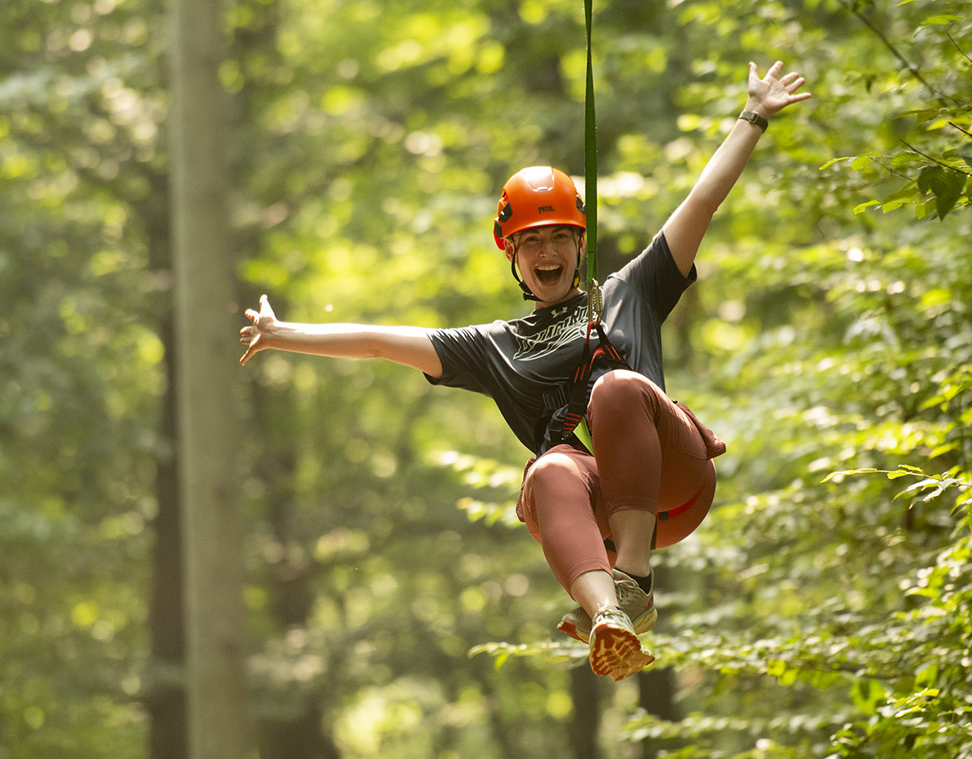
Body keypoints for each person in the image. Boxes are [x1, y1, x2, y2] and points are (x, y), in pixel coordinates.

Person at [239, 60, 811, 681]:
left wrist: (753, 116)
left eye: (560, 237)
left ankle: (637, 581)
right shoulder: (495, 346)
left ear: (580, 243)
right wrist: (282, 334)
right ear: (510, 253)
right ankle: (607, 617)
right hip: (594, 513)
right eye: (532, 241)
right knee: (547, 469)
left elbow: (702, 200)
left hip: (672, 482)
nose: (547, 252)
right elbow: (381, 342)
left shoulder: (632, 291)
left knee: (615, 387)